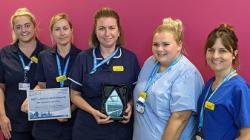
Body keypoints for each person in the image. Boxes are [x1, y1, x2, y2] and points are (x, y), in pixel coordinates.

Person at [69, 7, 140, 140]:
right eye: (101, 28)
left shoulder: (130, 59)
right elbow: (74, 95)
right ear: (95, 32)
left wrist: (130, 105)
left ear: (119, 31)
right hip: (88, 129)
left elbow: (136, 92)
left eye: (112, 28)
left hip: (120, 130)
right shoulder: (83, 58)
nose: (107, 33)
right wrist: (92, 112)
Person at [133, 17, 204, 140]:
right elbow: (142, 93)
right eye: (156, 44)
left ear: (179, 45)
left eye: (166, 44)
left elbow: (180, 119)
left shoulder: (187, 73)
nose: (159, 49)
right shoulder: (150, 62)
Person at [20, 13, 81, 140]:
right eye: (57, 29)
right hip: (47, 126)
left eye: (65, 28)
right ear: (52, 33)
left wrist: (69, 110)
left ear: (71, 30)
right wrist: (30, 100)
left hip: (74, 124)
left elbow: (84, 91)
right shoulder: (44, 56)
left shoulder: (82, 57)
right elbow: (41, 85)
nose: (62, 33)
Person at [0, 8, 47, 140]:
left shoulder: (47, 53)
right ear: (14, 30)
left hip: (43, 123)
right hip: (14, 124)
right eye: (18, 27)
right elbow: (0, 87)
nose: (24, 30)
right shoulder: (4, 54)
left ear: (34, 26)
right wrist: (2, 116)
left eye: (27, 25)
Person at [197, 24, 250, 139]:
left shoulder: (239, 88)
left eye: (222, 51)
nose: (215, 56)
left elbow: (247, 134)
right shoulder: (210, 84)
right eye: (211, 50)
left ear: (234, 54)